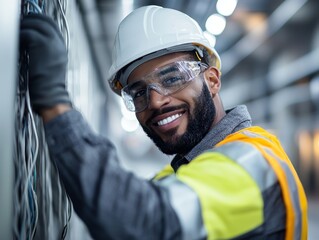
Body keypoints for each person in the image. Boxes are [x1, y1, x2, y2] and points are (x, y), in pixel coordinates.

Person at [20, 5, 308, 240]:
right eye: (139, 92)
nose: (156, 102)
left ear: (212, 80)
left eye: (172, 78)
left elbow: (141, 224)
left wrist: (55, 104)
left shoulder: (251, 163)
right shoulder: (179, 176)